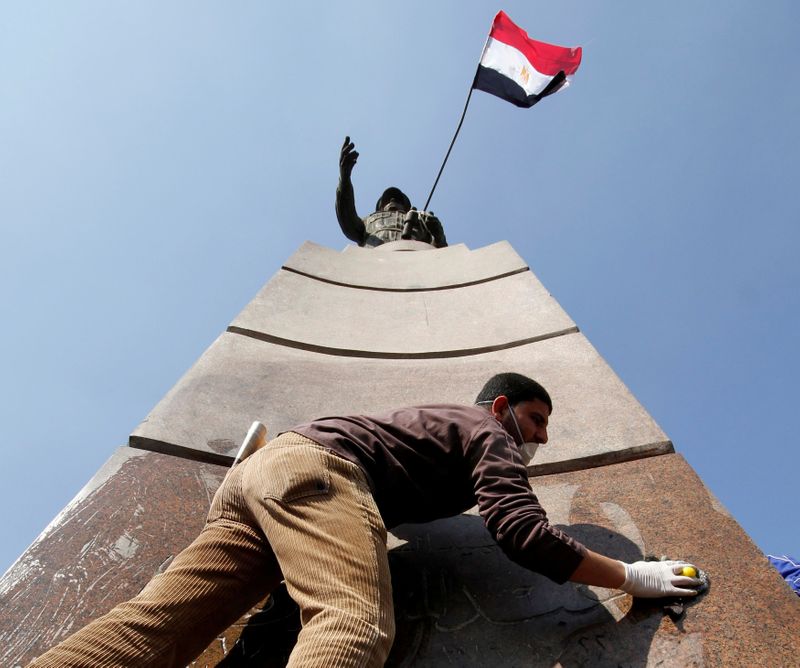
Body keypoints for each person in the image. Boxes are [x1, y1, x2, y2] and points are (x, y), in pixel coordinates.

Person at [30, 372, 701, 667]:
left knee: (154, 630)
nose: (542, 439)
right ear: (501, 408)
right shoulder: (485, 432)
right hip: (319, 472)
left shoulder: (431, 432)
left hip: (262, 477)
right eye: (536, 420)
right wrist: (631, 576)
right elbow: (520, 531)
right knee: (354, 623)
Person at [336, 136, 448, 248]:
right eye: (387, 200)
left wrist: (439, 236)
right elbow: (347, 219)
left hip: (414, 259)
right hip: (375, 259)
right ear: (380, 207)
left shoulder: (421, 221)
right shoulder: (368, 222)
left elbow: (439, 254)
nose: (392, 200)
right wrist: (345, 179)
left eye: (398, 199)